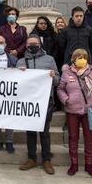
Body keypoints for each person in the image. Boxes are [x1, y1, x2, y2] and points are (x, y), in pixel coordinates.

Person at [57, 48, 92, 177]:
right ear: (73, 59)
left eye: (84, 57)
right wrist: (66, 100)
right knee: (73, 137)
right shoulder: (67, 73)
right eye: (79, 57)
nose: (81, 59)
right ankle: (74, 164)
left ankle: (89, 164)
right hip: (72, 110)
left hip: (89, 110)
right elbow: (60, 89)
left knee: (89, 138)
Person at [17, 35, 59, 175]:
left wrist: (53, 76)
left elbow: (58, 81)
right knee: (30, 131)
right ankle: (31, 158)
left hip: (46, 102)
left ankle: (46, 159)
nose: (32, 46)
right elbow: (16, 82)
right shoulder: (21, 61)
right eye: (30, 44)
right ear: (26, 46)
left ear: (40, 44)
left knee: (44, 131)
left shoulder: (49, 59)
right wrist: (19, 74)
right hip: (28, 102)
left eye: (35, 43)